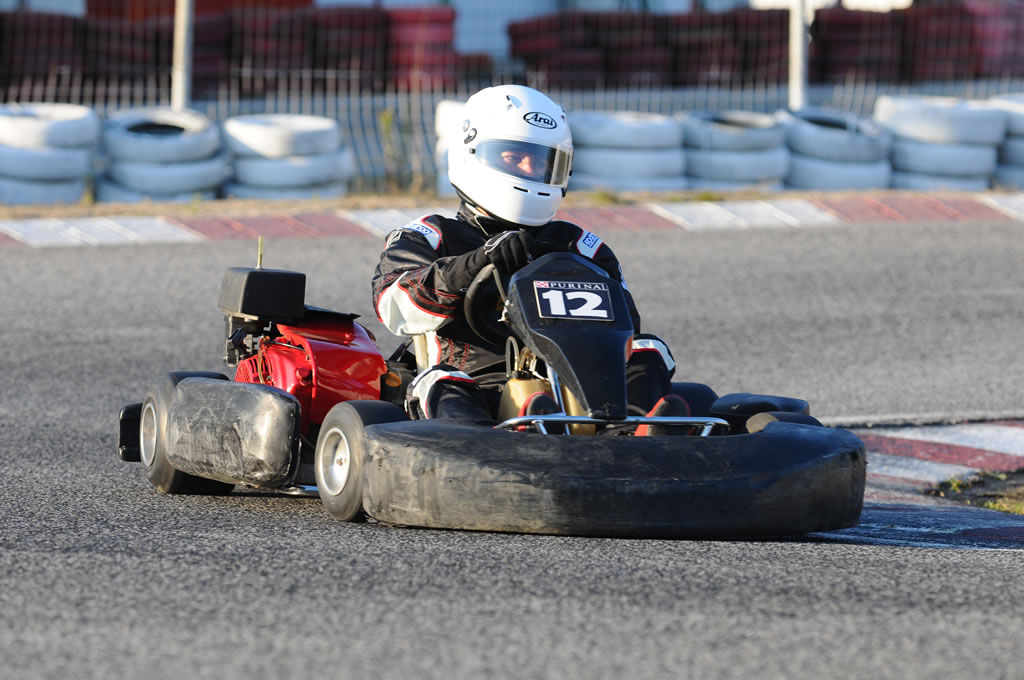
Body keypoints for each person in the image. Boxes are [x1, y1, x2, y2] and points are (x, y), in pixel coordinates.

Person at [371, 84, 686, 432]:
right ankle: (487, 447)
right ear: (471, 154)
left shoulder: (579, 246)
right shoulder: (430, 235)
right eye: (514, 157)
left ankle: (635, 432)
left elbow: (625, 324)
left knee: (648, 348)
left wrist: (560, 270)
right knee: (442, 381)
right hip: (476, 384)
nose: (530, 169)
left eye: (541, 161)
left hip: (581, 386)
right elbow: (396, 306)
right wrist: (475, 264)